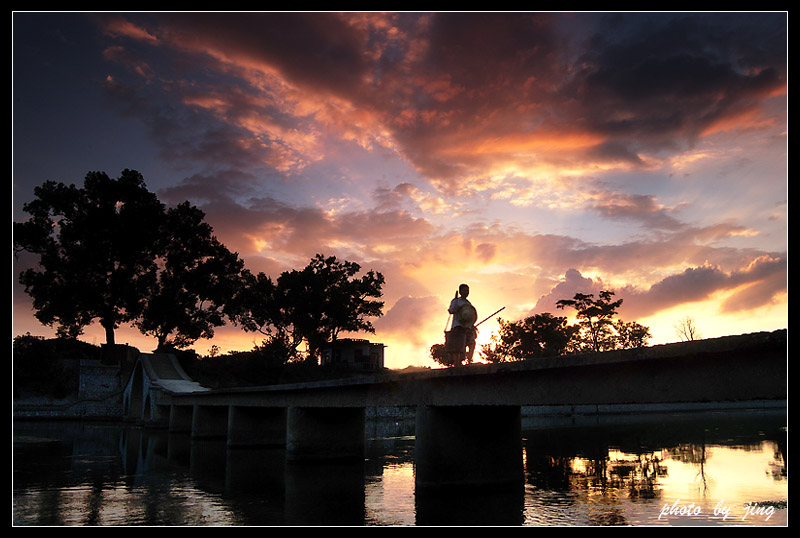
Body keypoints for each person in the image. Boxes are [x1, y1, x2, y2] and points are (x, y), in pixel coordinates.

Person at [447, 283, 478, 365]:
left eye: (468, 290)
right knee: (458, 346)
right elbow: (450, 311)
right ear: (460, 291)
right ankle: (457, 364)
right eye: (465, 290)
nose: (467, 292)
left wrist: (472, 325)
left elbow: (470, 317)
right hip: (458, 326)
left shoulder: (468, 303)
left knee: (472, 343)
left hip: (467, 327)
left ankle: (469, 361)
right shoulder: (456, 301)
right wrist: (456, 309)